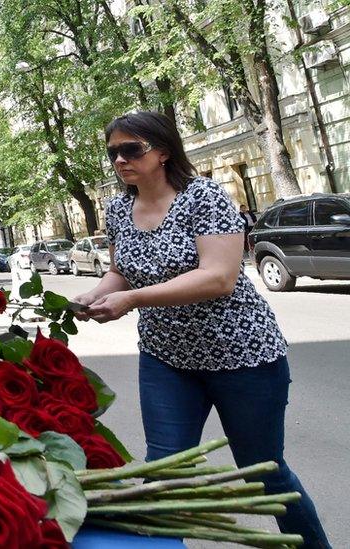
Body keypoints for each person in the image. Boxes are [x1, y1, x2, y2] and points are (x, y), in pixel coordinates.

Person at [73, 111, 330, 548]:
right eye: (113, 152)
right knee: (164, 476)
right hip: (167, 359)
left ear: (163, 152)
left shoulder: (204, 197)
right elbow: (120, 272)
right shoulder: (118, 208)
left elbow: (218, 277)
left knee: (264, 469)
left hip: (243, 356)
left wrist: (133, 299)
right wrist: (95, 294)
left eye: (131, 150)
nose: (119, 160)